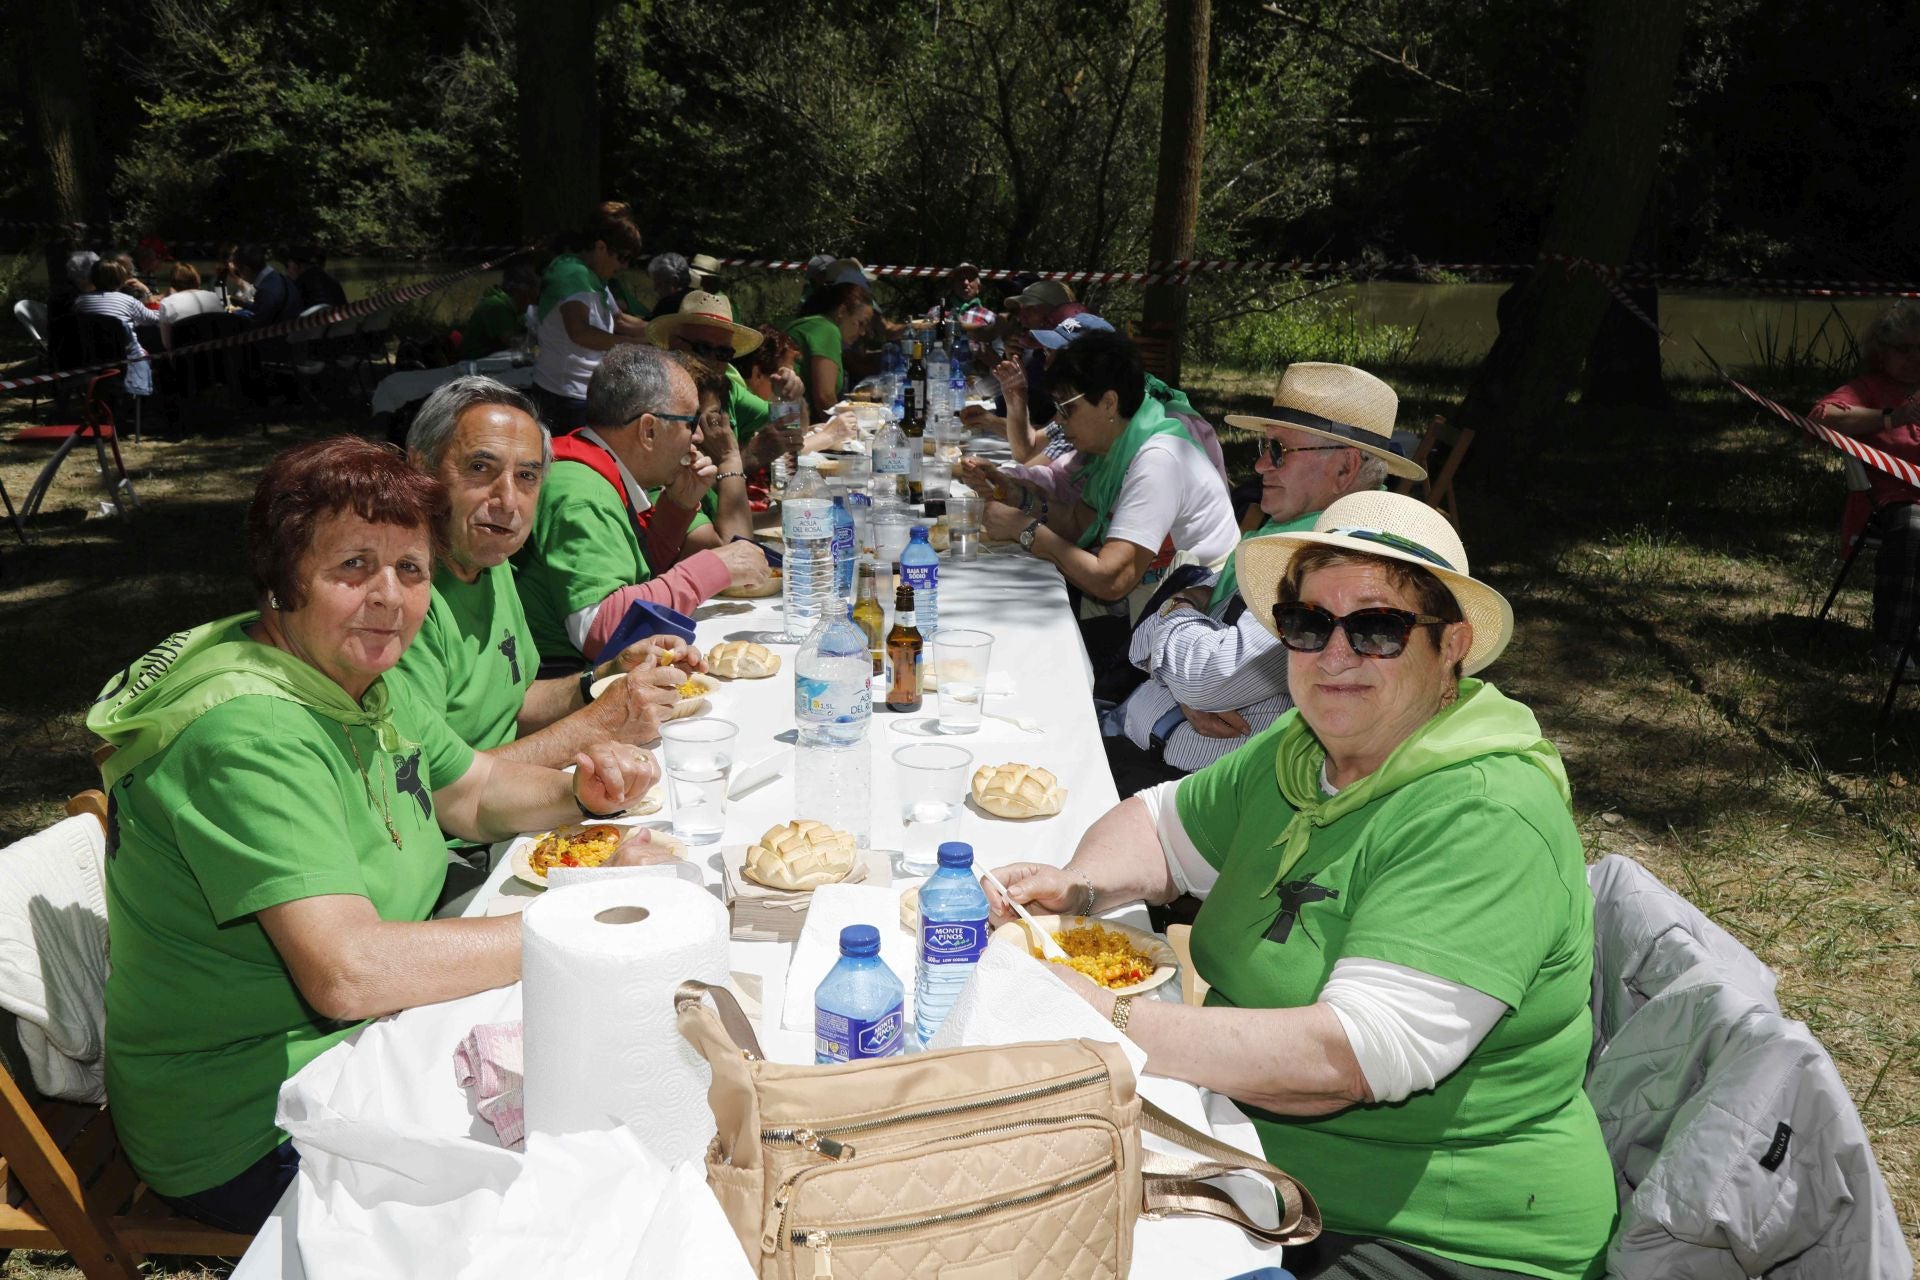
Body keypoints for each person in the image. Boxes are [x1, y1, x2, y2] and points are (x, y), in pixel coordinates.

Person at [985, 490, 1615, 1280]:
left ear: (1451, 644)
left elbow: (1342, 1062)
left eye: (1378, 627)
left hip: (1437, 1240)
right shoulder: (1307, 745)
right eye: (1310, 624)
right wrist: (1076, 887)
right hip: (1251, 1158)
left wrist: (1105, 1016)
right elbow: (1156, 825)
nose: (1335, 655)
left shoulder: (1484, 814)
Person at [88, 435, 660, 1232]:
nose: (389, 597)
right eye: (353, 566)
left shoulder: (358, 673)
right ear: (284, 579)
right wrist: (580, 917)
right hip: (252, 1122)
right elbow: (349, 972)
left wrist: (580, 795)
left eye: (411, 569)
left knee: (622, 1080)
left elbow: (474, 791)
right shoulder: (246, 733)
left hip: (375, 1040)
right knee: (590, 1178)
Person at [1106, 364, 1427, 789]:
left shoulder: (1334, 562)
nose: (1259, 465)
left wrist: (1178, 607)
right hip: (1142, 746)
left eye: (1278, 450)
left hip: (1188, 788)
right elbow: (1153, 657)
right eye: (1264, 445)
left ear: (1345, 469)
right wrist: (1181, 673)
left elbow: (1206, 678)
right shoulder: (1287, 535)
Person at [393, 375, 694, 763]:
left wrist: (605, 678)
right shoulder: (400, 597)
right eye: (480, 467)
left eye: (527, 477)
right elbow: (437, 787)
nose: (507, 500)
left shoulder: (491, 558)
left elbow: (515, 703)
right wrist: (595, 726)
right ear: (422, 469)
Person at [513, 345, 771, 669]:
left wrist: (677, 507)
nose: (700, 435)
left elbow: (636, 578)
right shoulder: (581, 494)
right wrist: (714, 567)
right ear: (648, 430)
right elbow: (601, 632)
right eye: (691, 422)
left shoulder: (599, 468)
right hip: (562, 681)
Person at [971, 330, 1237, 611]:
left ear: (1109, 403)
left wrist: (1022, 527)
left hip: (1186, 620)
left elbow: (1112, 579)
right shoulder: (1117, 450)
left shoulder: (1158, 461)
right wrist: (1020, 497)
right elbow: (1078, 523)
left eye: (1066, 408)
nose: (1058, 422)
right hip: (1152, 600)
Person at [1810, 300, 1920, 666]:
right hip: (1890, 502)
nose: (1914, 357)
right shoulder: (1867, 388)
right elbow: (1821, 418)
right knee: (1915, 525)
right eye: (1904, 349)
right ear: (1881, 352)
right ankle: (1892, 640)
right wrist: (1894, 417)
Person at [651, 291, 808, 473]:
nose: (712, 360)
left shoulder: (725, 388)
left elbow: (792, 432)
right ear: (674, 344)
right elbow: (682, 490)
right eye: (703, 348)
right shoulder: (655, 400)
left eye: (723, 353)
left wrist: (793, 396)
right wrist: (750, 457)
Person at [531, 201, 649, 430]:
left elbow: (620, 320)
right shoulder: (572, 273)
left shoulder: (595, 278)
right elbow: (580, 333)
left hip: (585, 393)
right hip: (564, 397)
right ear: (601, 247)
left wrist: (663, 328)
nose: (624, 266)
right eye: (622, 257)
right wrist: (638, 344)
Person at [783, 266, 875, 421]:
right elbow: (825, 397)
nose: (863, 332)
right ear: (841, 312)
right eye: (861, 323)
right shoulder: (828, 330)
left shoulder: (814, 323)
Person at [71, 259, 156, 395]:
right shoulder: (128, 301)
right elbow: (152, 319)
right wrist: (147, 293)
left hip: (91, 354)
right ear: (121, 279)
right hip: (124, 356)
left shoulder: (80, 301)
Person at [461, 262, 541, 357]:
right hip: (475, 362)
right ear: (517, 291)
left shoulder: (516, 309)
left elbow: (527, 329)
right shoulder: (497, 306)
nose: (531, 303)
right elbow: (512, 341)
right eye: (529, 297)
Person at [231, 245, 301, 326]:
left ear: (246, 270)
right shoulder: (279, 278)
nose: (238, 275)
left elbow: (257, 324)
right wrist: (244, 304)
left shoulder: (266, 291)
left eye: (237, 272)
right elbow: (264, 308)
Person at [285, 247, 349, 311]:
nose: (287, 272)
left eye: (287, 266)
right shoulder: (333, 282)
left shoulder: (298, 285)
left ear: (295, 266)